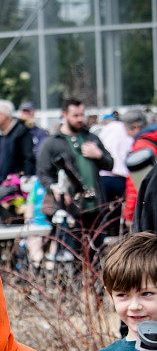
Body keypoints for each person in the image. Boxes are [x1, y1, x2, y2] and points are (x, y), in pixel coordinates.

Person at [37, 97, 113, 254]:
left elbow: (110, 164)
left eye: (82, 115)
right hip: (71, 208)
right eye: (75, 115)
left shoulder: (91, 138)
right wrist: (56, 189)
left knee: (96, 253)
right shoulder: (52, 143)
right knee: (74, 255)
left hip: (96, 206)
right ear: (64, 115)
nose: (80, 119)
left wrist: (98, 155)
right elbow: (44, 174)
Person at [0, 99, 35, 190]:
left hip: (14, 186)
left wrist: (24, 180)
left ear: (4, 115)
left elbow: (28, 158)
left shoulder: (21, 132)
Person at [123, 109, 157, 227]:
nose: (127, 134)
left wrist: (130, 214)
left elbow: (135, 184)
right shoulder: (154, 138)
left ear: (135, 127)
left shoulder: (140, 147)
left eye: (127, 129)